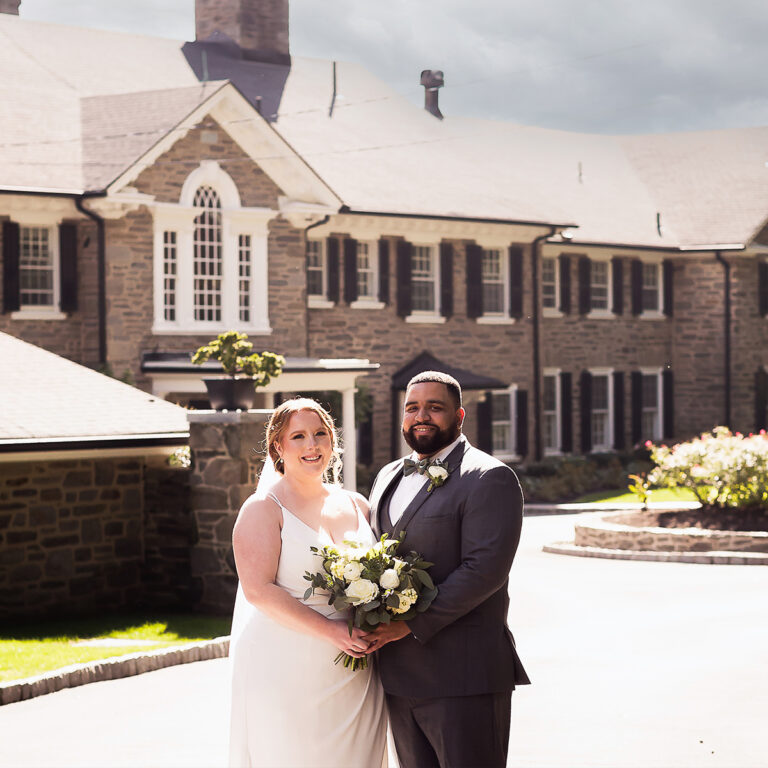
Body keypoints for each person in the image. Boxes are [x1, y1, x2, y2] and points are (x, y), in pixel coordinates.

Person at [365, 370, 530, 768]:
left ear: (459, 416)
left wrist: (408, 624)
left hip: (464, 675)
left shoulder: (489, 477)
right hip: (398, 676)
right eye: (412, 408)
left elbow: (483, 571)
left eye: (434, 407)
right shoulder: (387, 475)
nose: (421, 416)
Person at [228, 398, 387, 768]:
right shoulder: (263, 508)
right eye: (298, 436)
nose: (312, 445)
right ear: (278, 447)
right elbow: (258, 591)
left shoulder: (358, 504)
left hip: (357, 670)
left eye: (320, 434)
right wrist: (332, 631)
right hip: (286, 668)